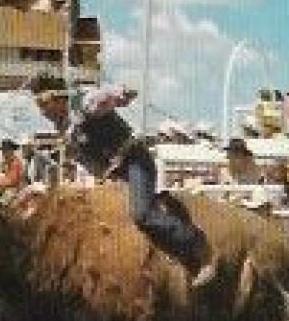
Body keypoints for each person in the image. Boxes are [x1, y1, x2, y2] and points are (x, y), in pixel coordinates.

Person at [31, 73, 217, 288]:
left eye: (43, 104)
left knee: (142, 215)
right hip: (117, 175)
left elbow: (110, 97)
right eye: (39, 106)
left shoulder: (85, 104)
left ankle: (198, 244)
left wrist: (119, 93)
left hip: (135, 162)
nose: (42, 112)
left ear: (56, 98)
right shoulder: (65, 128)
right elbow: (86, 160)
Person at [0, 138, 25, 203]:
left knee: (2, 200)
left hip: (14, 189)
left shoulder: (15, 163)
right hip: (5, 188)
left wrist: (0, 181)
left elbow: (12, 180)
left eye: (5, 151)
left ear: (11, 151)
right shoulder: (5, 163)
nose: (3, 153)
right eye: (3, 151)